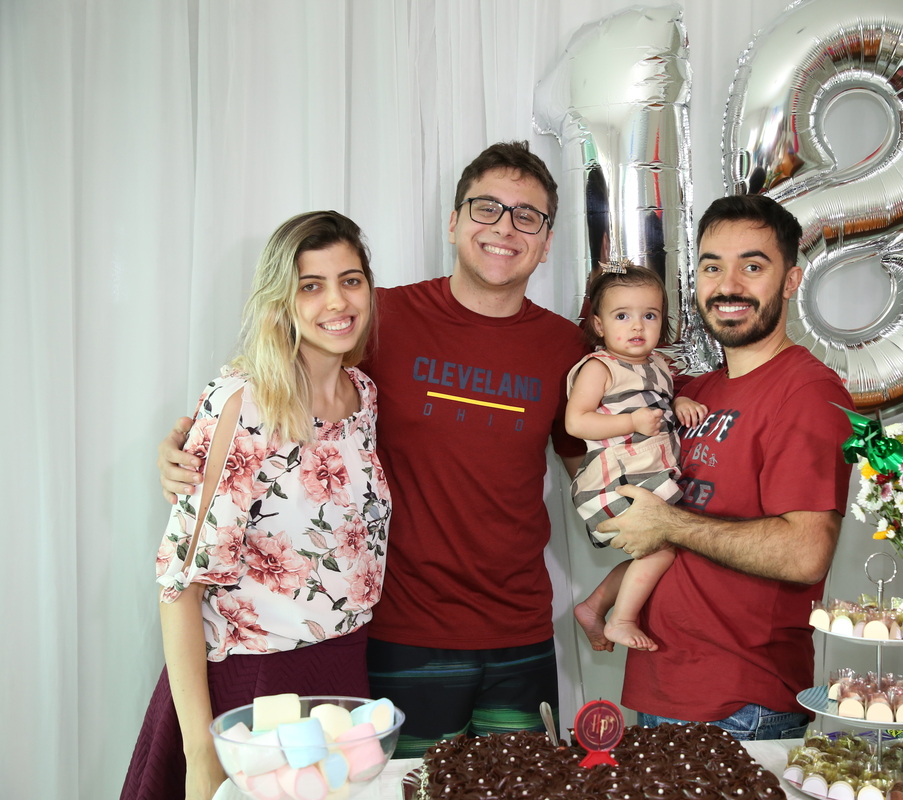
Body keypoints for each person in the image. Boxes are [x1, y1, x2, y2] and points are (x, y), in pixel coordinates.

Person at [157, 142, 589, 758]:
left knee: (520, 788)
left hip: (520, 630)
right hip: (399, 633)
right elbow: (268, 387)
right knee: (402, 789)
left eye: (527, 215)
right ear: (453, 221)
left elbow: (588, 469)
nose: (504, 227)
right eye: (486, 207)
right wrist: (184, 448)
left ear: (546, 242)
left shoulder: (565, 346)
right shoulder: (376, 316)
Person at [124, 210, 391, 800]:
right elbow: (179, 584)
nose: (336, 301)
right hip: (252, 685)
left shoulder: (364, 396)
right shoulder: (243, 403)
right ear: (280, 301)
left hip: (344, 674)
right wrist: (202, 754)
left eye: (350, 280)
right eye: (310, 285)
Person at [598, 194, 854, 741]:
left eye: (752, 267)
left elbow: (806, 553)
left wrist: (667, 524)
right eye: (712, 267)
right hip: (661, 683)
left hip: (741, 706)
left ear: (791, 281)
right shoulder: (698, 391)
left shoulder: (808, 393)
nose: (728, 285)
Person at [565, 261, 707, 652]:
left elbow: (657, 405)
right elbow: (576, 422)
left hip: (645, 472)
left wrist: (680, 402)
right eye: (622, 316)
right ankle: (620, 620)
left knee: (658, 548)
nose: (637, 326)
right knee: (663, 547)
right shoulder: (600, 367)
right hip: (616, 477)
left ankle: (594, 606)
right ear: (599, 325)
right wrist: (630, 421)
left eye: (649, 315)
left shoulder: (658, 365)